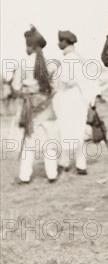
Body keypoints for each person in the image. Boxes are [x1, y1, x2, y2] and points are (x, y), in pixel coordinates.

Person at [12, 26, 58, 184]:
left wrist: (26, 91)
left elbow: (16, 87)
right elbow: (55, 88)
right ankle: (52, 174)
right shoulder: (50, 65)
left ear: (29, 46)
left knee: (29, 143)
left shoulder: (23, 64)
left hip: (30, 108)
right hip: (47, 109)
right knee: (49, 141)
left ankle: (25, 176)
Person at [54, 30, 99, 175]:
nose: (58, 43)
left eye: (60, 41)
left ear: (66, 42)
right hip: (79, 100)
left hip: (70, 100)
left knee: (66, 131)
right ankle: (80, 164)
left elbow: (68, 80)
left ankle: (66, 162)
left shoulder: (70, 59)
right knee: (77, 132)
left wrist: (57, 76)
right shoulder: (78, 58)